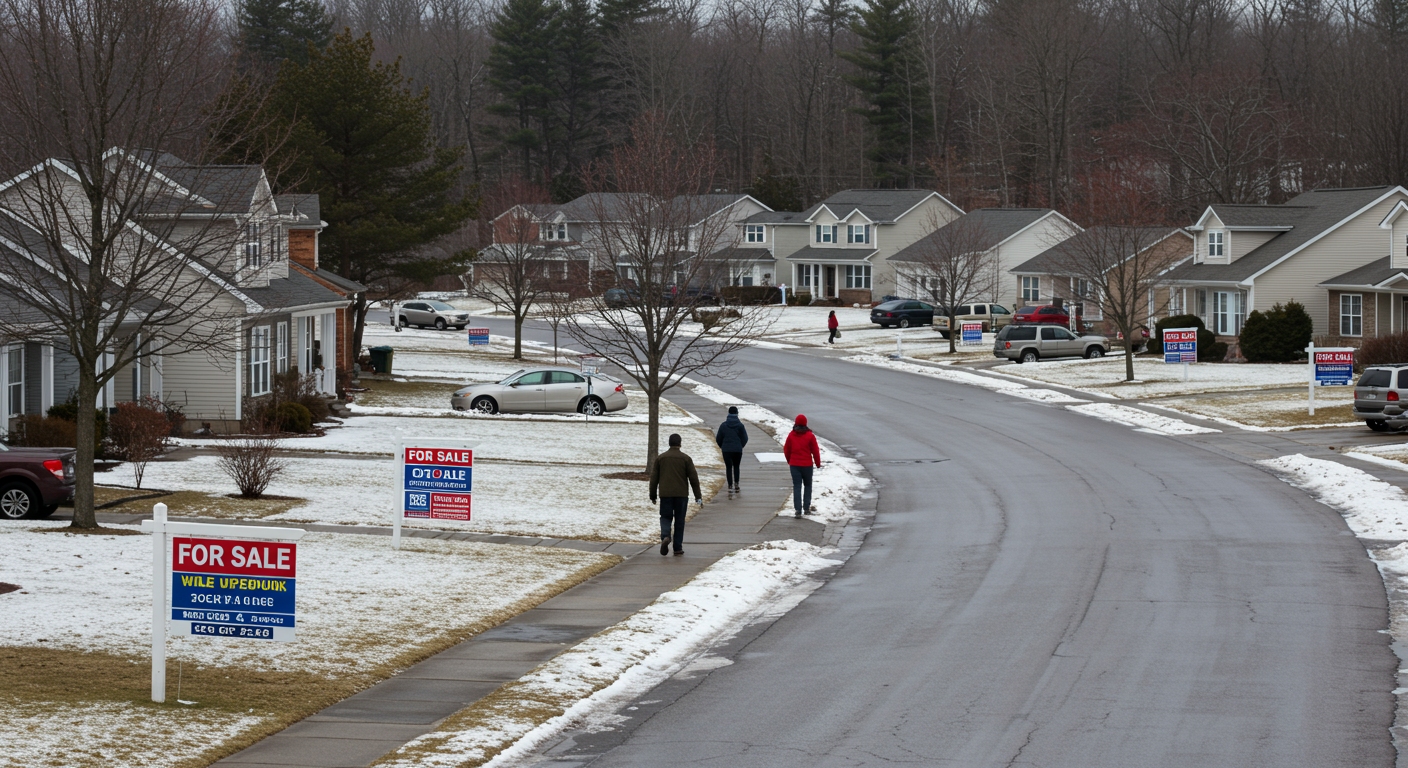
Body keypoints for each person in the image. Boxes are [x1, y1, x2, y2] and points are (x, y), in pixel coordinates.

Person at [649, 433, 703, 555]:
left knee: (665, 517)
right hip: (681, 495)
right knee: (679, 520)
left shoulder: (661, 458)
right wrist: (698, 496)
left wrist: (653, 495)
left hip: (666, 494)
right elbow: (693, 478)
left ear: (669, 443)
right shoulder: (686, 458)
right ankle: (677, 547)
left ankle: (665, 537)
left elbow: (654, 478)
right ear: (680, 443)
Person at [783, 414, 821, 518]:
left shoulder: (791, 435)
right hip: (807, 465)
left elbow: (786, 449)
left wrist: (789, 460)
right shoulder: (810, 436)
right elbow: (815, 451)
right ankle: (806, 508)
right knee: (808, 485)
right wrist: (818, 463)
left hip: (794, 465)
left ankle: (798, 510)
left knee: (797, 486)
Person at [715, 406, 749, 495]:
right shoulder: (740, 425)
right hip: (737, 449)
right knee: (736, 466)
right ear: (737, 413)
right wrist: (740, 446)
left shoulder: (723, 425)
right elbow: (745, 438)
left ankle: (730, 485)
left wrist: (722, 446)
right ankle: (736, 483)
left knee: (729, 467)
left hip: (726, 450)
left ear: (728, 414)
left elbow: (719, 438)